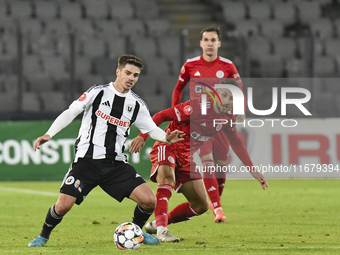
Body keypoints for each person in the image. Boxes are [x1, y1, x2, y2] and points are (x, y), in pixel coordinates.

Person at [28, 54, 184, 247]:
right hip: (86, 162)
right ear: (118, 72)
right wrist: (49, 134)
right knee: (63, 206)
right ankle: (43, 235)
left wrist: (166, 138)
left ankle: (135, 233)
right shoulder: (98, 93)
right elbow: (71, 112)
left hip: (115, 164)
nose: (131, 78)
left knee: (149, 200)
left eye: (135, 75)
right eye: (127, 73)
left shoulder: (136, 104)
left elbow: (151, 129)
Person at [130, 78, 268, 242]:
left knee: (201, 206)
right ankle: (162, 230)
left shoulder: (227, 118)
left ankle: (155, 223)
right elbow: (161, 116)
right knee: (167, 178)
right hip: (167, 146)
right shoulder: (197, 106)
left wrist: (252, 169)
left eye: (232, 98)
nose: (227, 101)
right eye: (225, 95)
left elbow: (236, 143)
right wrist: (142, 136)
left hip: (187, 156)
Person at [172, 26, 246, 223]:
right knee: (207, 161)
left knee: (221, 165)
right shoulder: (190, 65)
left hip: (222, 122)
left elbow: (238, 90)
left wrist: (240, 109)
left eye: (213, 40)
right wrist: (176, 112)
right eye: (206, 40)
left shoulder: (228, 66)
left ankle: (215, 200)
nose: (210, 44)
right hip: (199, 121)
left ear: (219, 43)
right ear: (201, 43)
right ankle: (218, 209)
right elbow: (178, 88)